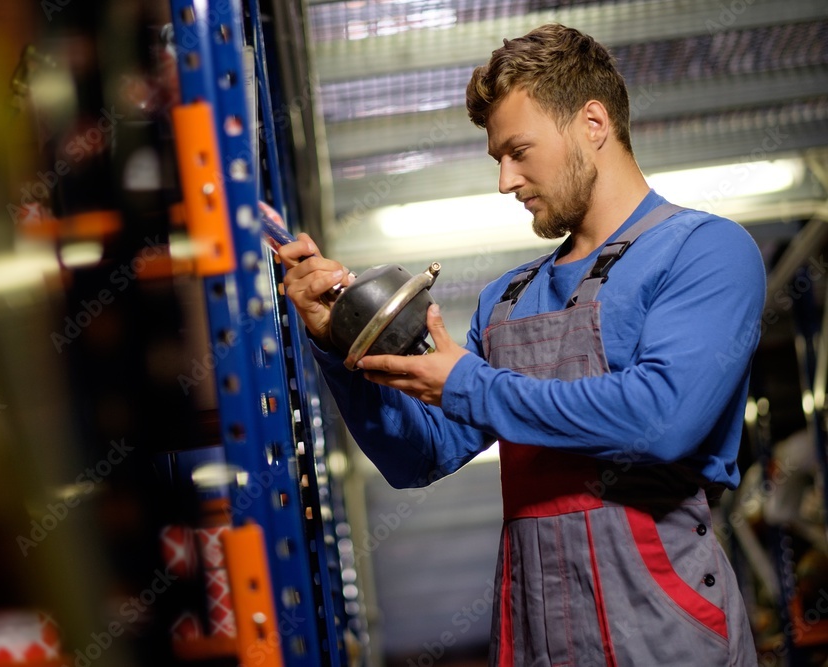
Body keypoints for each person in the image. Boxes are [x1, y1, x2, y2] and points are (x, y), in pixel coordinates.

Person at [280, 23, 764, 667]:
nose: (505, 181)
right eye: (497, 159)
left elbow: (664, 419)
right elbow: (419, 455)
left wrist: (466, 384)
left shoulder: (705, 251)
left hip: (665, 631)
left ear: (593, 122)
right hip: (537, 634)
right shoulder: (507, 299)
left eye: (519, 150)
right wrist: (342, 345)